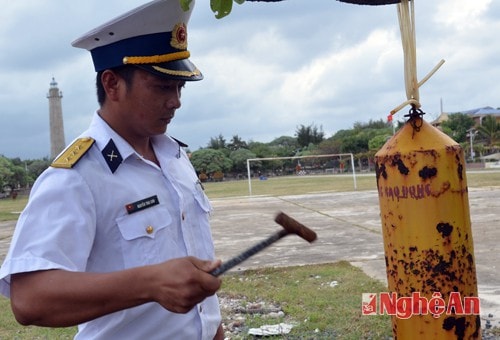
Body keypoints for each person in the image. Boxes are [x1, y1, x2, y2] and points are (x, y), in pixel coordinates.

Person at [0, 0, 224, 339]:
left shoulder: (176, 159)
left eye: (180, 87)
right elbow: (30, 298)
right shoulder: (77, 176)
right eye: (163, 86)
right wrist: (149, 283)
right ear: (112, 84)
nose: (176, 100)